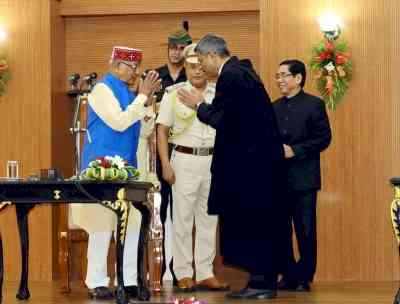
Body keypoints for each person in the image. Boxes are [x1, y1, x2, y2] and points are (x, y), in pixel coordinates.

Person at [178, 34, 286, 299]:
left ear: (214, 56)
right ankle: (261, 281)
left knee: (252, 222)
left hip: (250, 169)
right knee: (258, 222)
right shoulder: (242, 73)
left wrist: (199, 106)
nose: (201, 66)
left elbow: (226, 120)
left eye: (202, 60)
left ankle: (261, 284)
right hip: (258, 166)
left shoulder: (232, 77)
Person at [71, 46, 160, 300]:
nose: (136, 72)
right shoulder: (102, 90)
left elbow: (141, 132)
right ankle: (97, 281)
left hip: (126, 167)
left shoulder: (129, 93)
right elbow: (119, 121)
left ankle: (129, 279)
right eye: (131, 67)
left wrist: (148, 103)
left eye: (137, 67)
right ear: (116, 65)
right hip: (102, 168)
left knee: (132, 223)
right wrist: (141, 97)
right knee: (102, 225)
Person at [157, 43, 229, 292]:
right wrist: (165, 164)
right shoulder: (173, 94)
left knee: (209, 218)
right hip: (184, 160)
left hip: (213, 161)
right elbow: (162, 130)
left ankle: (206, 272)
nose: (196, 71)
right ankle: (184, 273)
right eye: (190, 66)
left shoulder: (219, 93)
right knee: (183, 219)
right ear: (184, 67)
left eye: (200, 66)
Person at [272, 59, 332, 292]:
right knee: (281, 231)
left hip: (304, 178)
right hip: (278, 179)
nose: (280, 80)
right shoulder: (274, 107)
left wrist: (295, 150)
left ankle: (304, 276)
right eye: (277, 76)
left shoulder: (314, 105)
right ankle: (287, 274)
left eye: (284, 75)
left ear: (298, 78)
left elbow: (324, 138)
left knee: (306, 230)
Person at [152, 27, 192, 283]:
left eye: (181, 48)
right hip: (160, 152)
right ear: (167, 48)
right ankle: (157, 270)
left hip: (187, 153)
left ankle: (181, 272)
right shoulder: (155, 76)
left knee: (182, 216)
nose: (176, 52)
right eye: (173, 48)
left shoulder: (194, 77)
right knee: (158, 213)